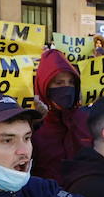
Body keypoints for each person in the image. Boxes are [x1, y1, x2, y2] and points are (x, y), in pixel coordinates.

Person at [30, 49, 91, 181]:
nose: (67, 88)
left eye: (71, 82)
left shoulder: (85, 118)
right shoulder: (31, 125)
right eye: (59, 83)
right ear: (44, 85)